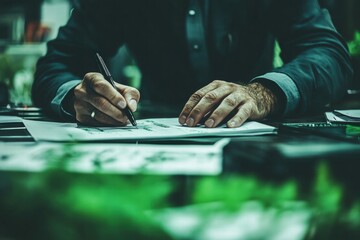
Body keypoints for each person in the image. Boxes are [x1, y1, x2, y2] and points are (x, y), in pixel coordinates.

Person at [32, 0, 353, 128]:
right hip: (144, 141)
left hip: (252, 139)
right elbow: (55, 65)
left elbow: (327, 52)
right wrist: (78, 95)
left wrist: (262, 93)